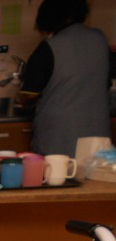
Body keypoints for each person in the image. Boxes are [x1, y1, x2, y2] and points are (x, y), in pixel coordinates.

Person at [19, 0, 111, 157]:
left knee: (57, 172)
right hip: (99, 138)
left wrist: (20, 97)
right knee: (94, 172)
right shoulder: (100, 39)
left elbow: (28, 96)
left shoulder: (49, 47)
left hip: (59, 140)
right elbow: (105, 83)